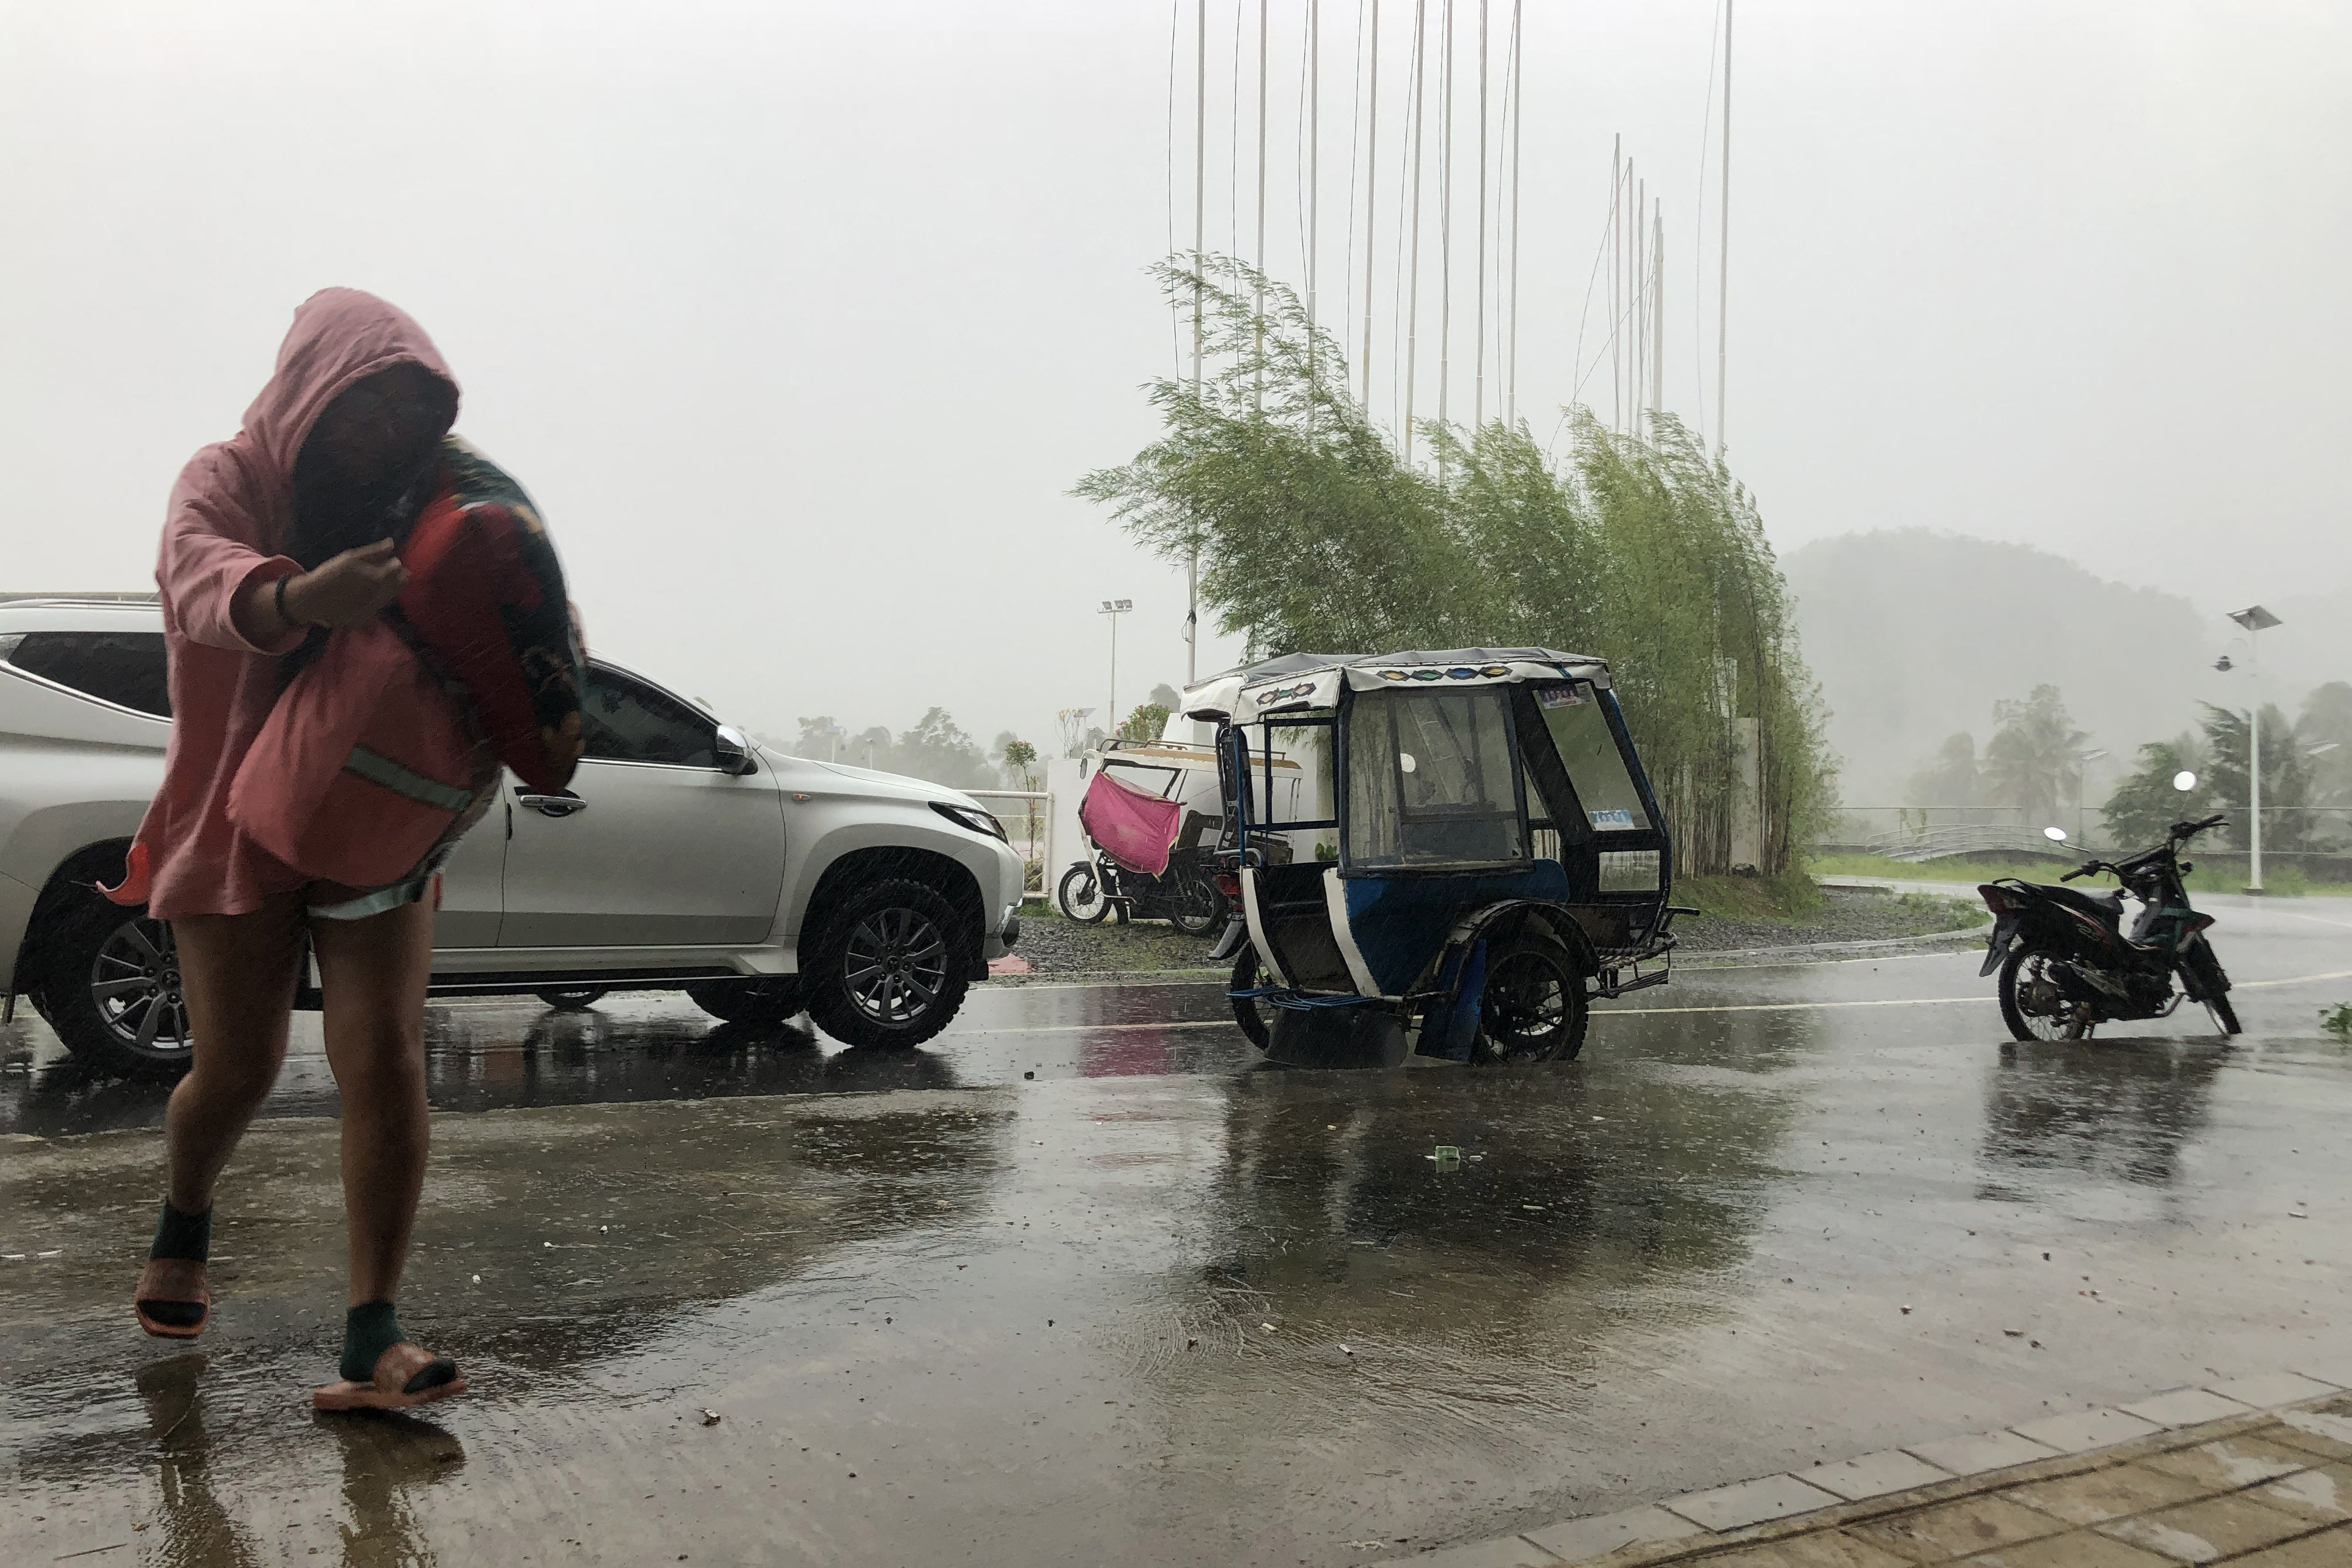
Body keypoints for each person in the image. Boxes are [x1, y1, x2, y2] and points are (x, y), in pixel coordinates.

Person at [127, 289, 489, 1411]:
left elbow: (504, 582)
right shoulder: (226, 477)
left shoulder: (428, 496)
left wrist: (545, 657)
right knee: (237, 1069)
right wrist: (297, 596)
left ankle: (373, 1333)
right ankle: (187, 1214)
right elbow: (196, 577)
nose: (386, 431)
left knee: (384, 1060)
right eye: (366, 403)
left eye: (411, 410)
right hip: (231, 820)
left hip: (374, 812)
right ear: (309, 389)